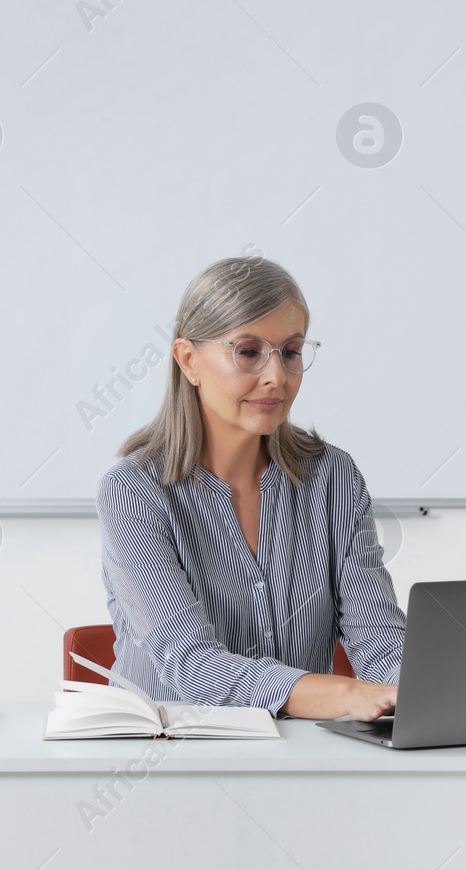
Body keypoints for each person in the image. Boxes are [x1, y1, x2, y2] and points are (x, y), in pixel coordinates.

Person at [97, 255, 404, 721]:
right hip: (167, 756)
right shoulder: (134, 492)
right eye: (248, 352)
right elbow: (193, 668)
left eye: (291, 351)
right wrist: (344, 695)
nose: (276, 377)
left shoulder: (333, 478)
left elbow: (378, 634)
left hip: (298, 755)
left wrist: (409, 692)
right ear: (188, 360)